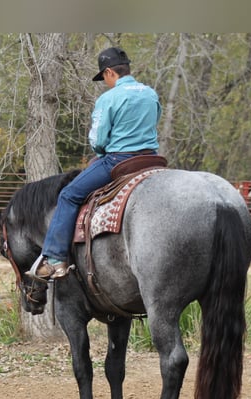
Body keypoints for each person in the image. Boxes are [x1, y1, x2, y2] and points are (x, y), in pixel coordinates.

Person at [31, 46, 162, 281]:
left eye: (103, 77)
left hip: (119, 160)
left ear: (110, 72)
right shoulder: (150, 93)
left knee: (69, 195)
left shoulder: (109, 98)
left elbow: (99, 139)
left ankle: (54, 259)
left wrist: (100, 149)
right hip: (151, 159)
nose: (105, 82)